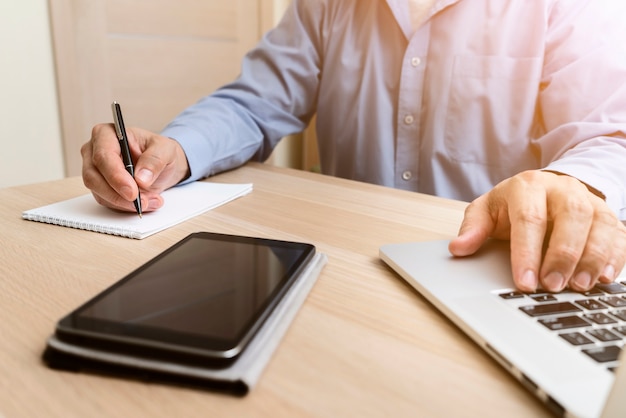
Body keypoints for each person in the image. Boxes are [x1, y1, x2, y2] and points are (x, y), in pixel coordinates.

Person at [81, 0, 626, 294]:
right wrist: (175, 150)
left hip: (493, 280)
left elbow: (607, 137)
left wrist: (569, 184)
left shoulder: (571, 7)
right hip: (345, 273)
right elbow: (252, 103)